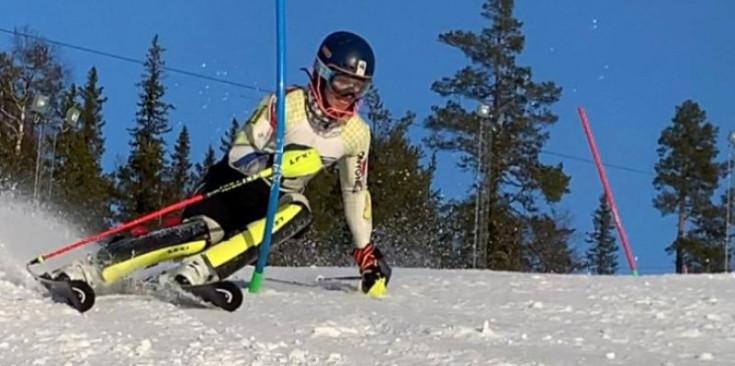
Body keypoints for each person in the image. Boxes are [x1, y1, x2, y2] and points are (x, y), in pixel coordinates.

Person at [51, 30, 392, 296]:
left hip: (273, 206)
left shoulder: (356, 135)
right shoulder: (287, 104)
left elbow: (356, 191)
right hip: (233, 186)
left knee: (300, 210)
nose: (348, 97)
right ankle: (90, 269)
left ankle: (197, 273)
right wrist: (275, 162)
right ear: (320, 74)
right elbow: (239, 152)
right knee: (195, 236)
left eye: (359, 88)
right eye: (342, 83)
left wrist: (365, 253)